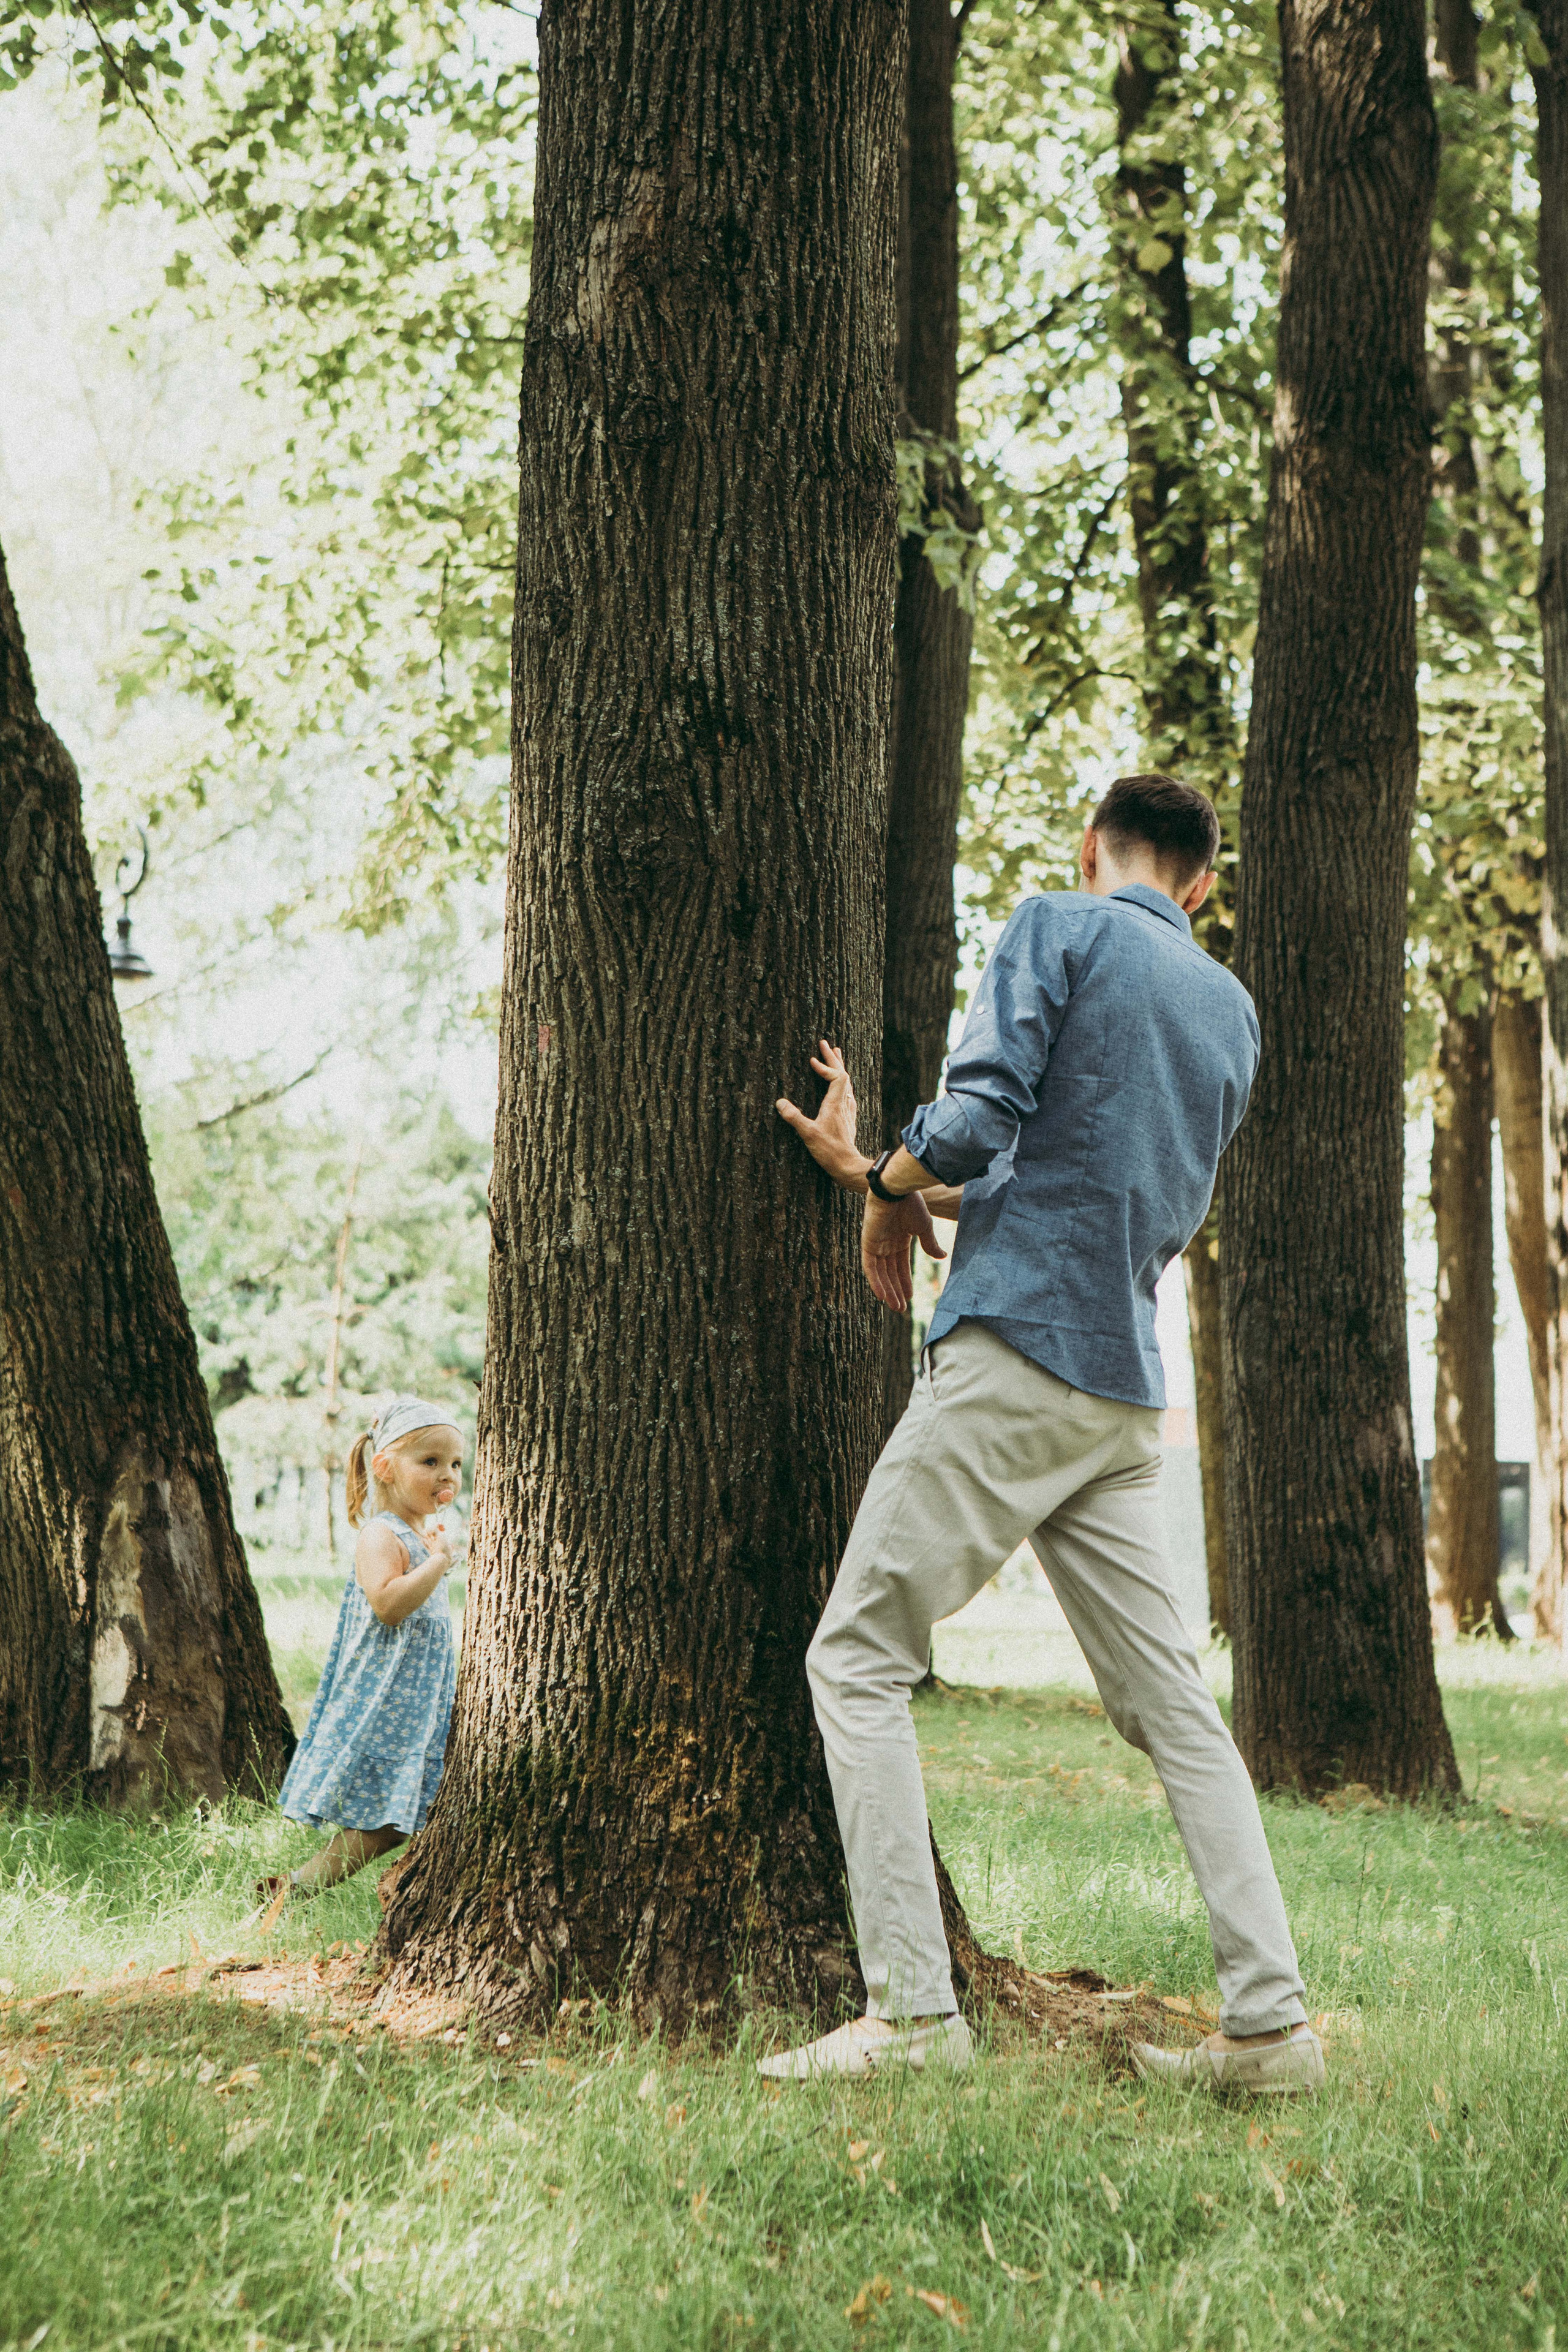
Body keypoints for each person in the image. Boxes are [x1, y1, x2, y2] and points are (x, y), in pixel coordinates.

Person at [761, 772, 1322, 2096]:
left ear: (1094, 852)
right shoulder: (1229, 1009)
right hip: (1120, 1391)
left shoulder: (1054, 926)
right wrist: (876, 1178)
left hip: (1015, 1356)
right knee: (1176, 1713)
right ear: (1199, 884)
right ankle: (1271, 2031)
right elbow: (1095, 1186)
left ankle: (911, 2020)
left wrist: (891, 1178)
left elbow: (977, 1117)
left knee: (852, 1659)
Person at [255, 1397, 462, 1909]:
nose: (447, 1475)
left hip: (417, 1698)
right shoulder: (380, 1533)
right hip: (386, 1698)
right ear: (385, 1468)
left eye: (456, 1464)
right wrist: (438, 1562)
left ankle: (296, 1890)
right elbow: (389, 1604)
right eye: (430, 1462)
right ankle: (292, 1890)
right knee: (389, 1820)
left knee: (405, 1813)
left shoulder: (420, 1533)